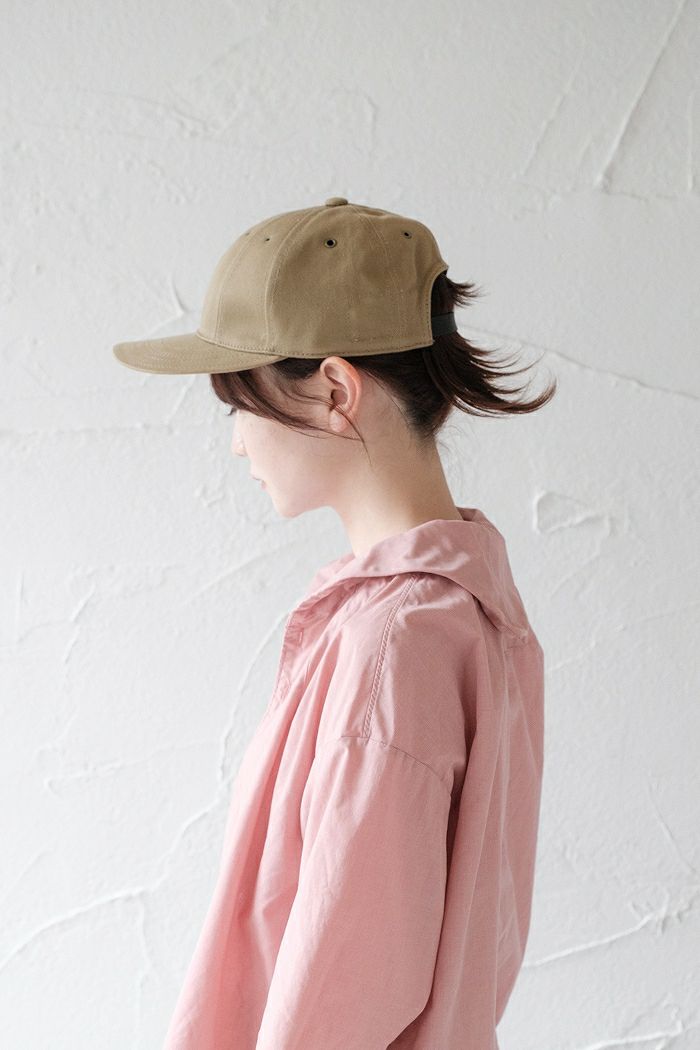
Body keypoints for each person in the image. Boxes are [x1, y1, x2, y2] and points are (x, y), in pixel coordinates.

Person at [113, 196, 555, 1050]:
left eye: (238, 404)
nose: (237, 443)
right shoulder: (465, 606)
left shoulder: (392, 644)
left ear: (333, 390)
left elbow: (343, 997)